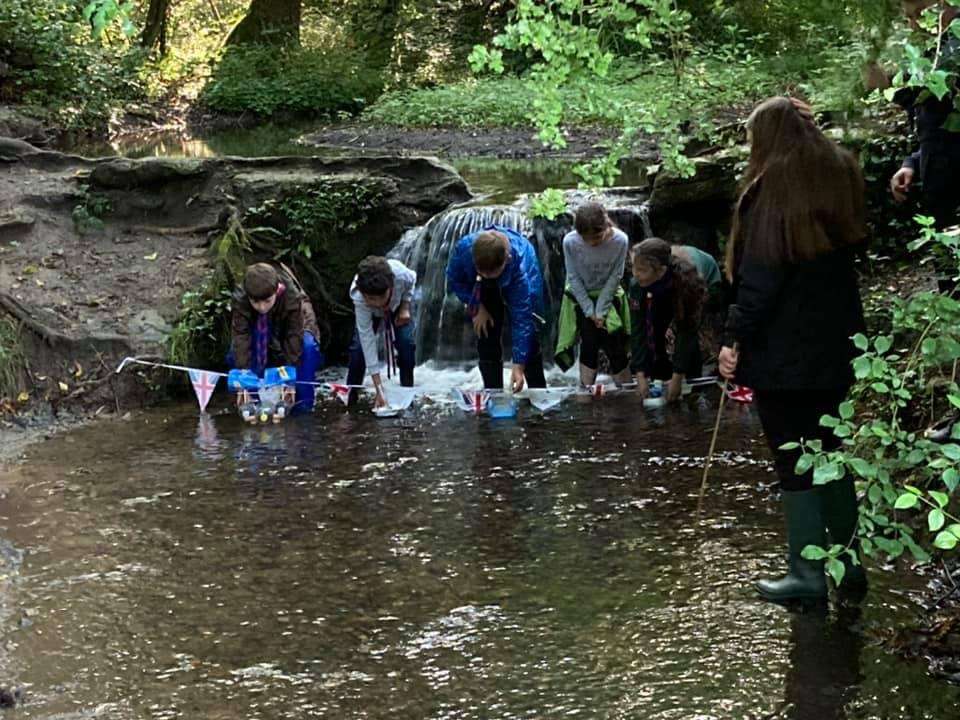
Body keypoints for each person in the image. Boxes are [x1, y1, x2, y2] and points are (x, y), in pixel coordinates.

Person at [719, 96, 868, 603]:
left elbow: (760, 280)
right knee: (831, 453)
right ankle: (849, 567)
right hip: (838, 342)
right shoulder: (839, 173)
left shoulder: (771, 192)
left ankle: (806, 576)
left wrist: (733, 337)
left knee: (794, 457)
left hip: (784, 352)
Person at [446, 225, 546, 392]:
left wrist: (518, 364)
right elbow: (455, 280)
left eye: (491, 274)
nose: (486, 276)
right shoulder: (464, 250)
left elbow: (522, 319)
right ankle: (492, 391)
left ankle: (538, 391)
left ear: (507, 260)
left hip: (520, 274)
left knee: (530, 333)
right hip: (481, 284)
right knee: (486, 331)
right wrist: (477, 306)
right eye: (482, 272)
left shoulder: (520, 267)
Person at [889, 1, 960, 229]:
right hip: (943, 211)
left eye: (919, 14)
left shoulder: (952, 59)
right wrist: (912, 164)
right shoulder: (930, 63)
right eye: (909, 18)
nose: (913, 25)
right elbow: (940, 138)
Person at [555, 202, 631, 387]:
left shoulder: (620, 240)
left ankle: (627, 391)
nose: (592, 243)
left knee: (615, 345)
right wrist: (589, 311)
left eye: (597, 237)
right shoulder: (570, 242)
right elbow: (573, 277)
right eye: (586, 239)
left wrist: (601, 311)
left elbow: (616, 276)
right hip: (581, 298)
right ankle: (586, 391)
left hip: (609, 296)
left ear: (606, 226)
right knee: (589, 343)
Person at [230, 262, 322, 409]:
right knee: (235, 353)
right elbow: (241, 336)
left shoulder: (292, 297)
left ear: (276, 291)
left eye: (267, 301)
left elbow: (293, 336)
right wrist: (243, 378)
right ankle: (253, 401)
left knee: (307, 347)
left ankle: (303, 406)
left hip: (297, 328)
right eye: (255, 302)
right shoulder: (240, 299)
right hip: (259, 328)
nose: (262, 307)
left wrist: (290, 380)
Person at [628, 238, 705, 403]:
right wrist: (640, 374)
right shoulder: (637, 285)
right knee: (656, 326)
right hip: (659, 288)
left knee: (687, 330)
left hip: (704, 276)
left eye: (641, 270)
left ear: (661, 270)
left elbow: (688, 329)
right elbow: (638, 329)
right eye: (633, 267)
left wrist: (678, 377)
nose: (635, 273)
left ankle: (694, 386)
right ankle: (662, 375)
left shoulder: (687, 283)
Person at [346, 255, 416, 408]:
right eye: (371, 298)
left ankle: (407, 395)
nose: (377, 303)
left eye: (381, 297)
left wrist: (405, 306)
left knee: (406, 344)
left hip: (397, 306)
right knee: (358, 350)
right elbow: (367, 339)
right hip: (370, 313)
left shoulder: (401, 274)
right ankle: (351, 397)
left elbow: (412, 281)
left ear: (391, 285)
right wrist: (378, 388)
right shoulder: (359, 297)